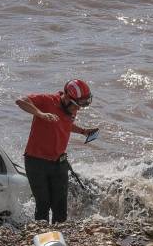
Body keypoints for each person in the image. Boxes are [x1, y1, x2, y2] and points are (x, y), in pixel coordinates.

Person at [15, 79, 98, 223]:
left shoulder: (70, 108)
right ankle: (43, 237)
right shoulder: (48, 101)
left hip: (59, 163)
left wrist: (83, 131)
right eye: (76, 106)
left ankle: (59, 238)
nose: (77, 110)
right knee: (43, 204)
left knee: (60, 208)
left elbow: (65, 124)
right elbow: (20, 101)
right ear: (67, 98)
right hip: (36, 162)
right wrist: (40, 113)